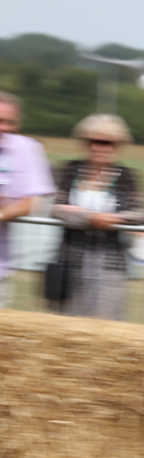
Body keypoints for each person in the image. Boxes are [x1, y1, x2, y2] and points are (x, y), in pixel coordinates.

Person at [46, 115, 144, 319]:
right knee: (65, 321)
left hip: (110, 264)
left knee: (105, 324)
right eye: (93, 141)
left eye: (107, 143)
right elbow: (56, 209)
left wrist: (115, 220)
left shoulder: (127, 177)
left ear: (118, 146)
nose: (99, 148)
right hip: (70, 260)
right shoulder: (69, 170)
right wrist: (90, 218)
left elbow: (143, 214)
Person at [0, 92, 60, 307]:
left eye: (10, 122)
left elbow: (33, 202)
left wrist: (2, 212)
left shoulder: (26, 149)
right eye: (0, 121)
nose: (4, 127)